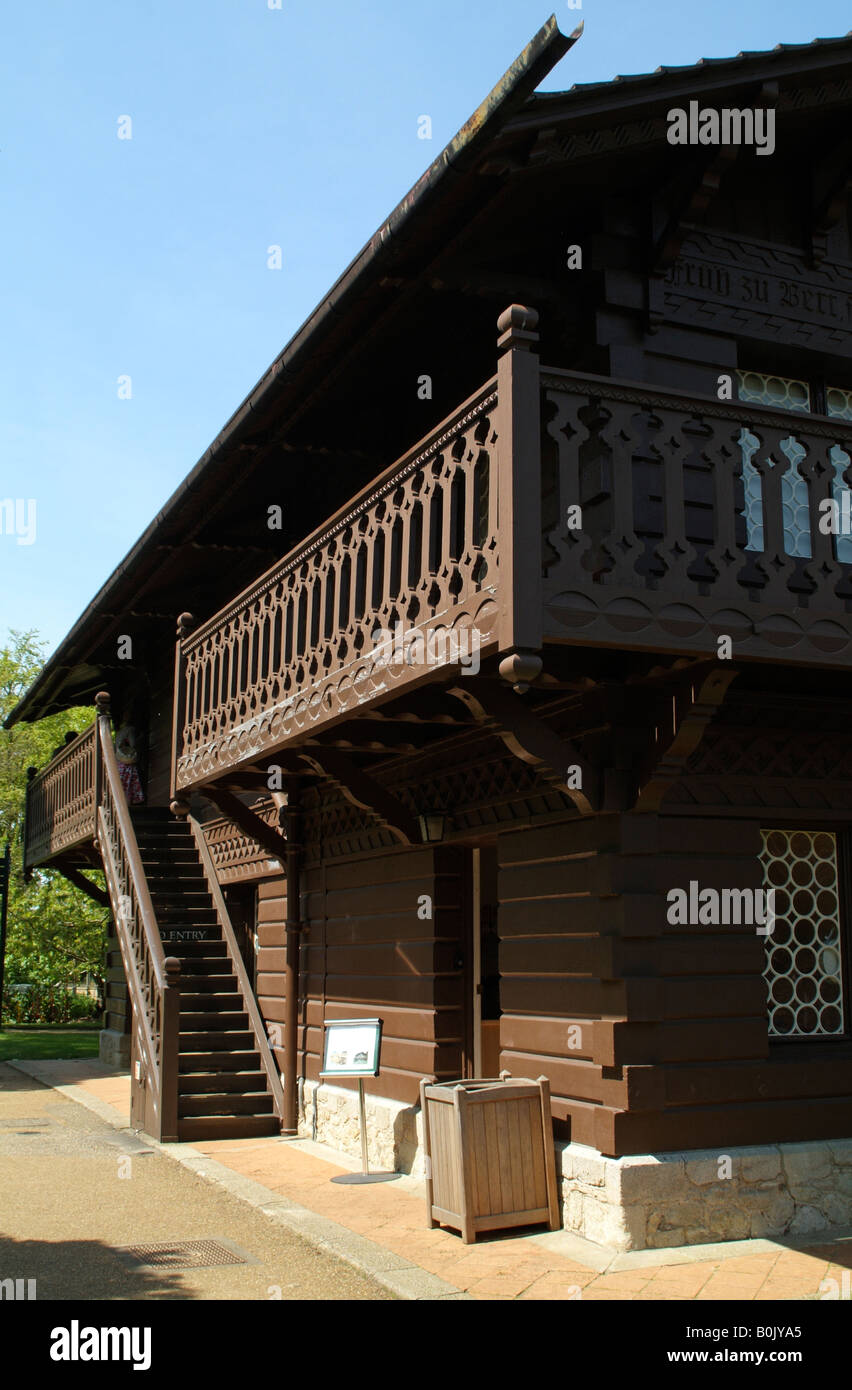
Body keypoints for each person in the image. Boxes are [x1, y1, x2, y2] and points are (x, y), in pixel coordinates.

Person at [115, 725, 144, 805]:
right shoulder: (130, 729)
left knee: (121, 785)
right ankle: (126, 804)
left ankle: (120, 803)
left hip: (119, 762)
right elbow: (133, 744)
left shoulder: (118, 733)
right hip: (127, 763)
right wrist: (140, 739)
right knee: (128, 786)